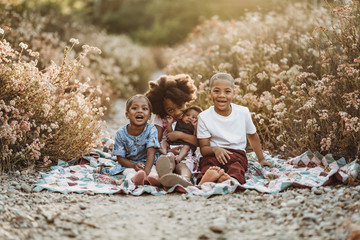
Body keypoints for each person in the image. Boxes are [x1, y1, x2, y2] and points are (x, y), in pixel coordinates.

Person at [196, 73, 273, 185]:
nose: (222, 95)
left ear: (234, 93)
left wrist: (261, 159)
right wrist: (215, 149)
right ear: (210, 93)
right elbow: (203, 148)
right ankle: (206, 179)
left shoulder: (243, 112)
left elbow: (252, 136)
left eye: (227, 91)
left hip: (237, 154)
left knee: (236, 167)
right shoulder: (204, 117)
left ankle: (230, 180)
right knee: (208, 165)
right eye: (216, 91)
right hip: (213, 154)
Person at [145, 74, 198, 187]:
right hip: (166, 154)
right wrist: (166, 150)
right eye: (170, 110)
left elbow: (198, 142)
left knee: (182, 166)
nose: (178, 112)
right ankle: (166, 176)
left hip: (185, 155)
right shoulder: (161, 118)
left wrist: (180, 135)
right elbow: (155, 141)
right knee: (166, 161)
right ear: (162, 109)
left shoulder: (191, 117)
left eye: (179, 105)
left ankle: (184, 179)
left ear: (185, 99)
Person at [98, 94, 161, 187]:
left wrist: (146, 172)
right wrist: (133, 166)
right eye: (135, 108)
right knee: (129, 172)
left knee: (154, 171)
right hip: (129, 164)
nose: (140, 111)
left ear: (149, 116)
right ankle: (135, 179)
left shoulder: (152, 130)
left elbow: (151, 153)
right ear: (127, 114)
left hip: (148, 163)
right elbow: (120, 158)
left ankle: (152, 179)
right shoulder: (121, 133)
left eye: (144, 109)